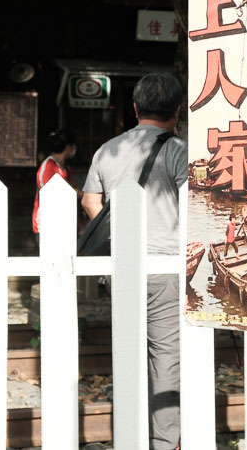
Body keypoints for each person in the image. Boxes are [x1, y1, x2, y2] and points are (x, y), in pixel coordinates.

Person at [81, 72, 187, 450]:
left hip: (122, 270)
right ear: (177, 110)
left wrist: (120, 236)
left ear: (136, 108)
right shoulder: (179, 152)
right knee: (165, 359)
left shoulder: (106, 150)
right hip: (165, 269)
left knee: (127, 352)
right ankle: (163, 442)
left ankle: (129, 436)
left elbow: (91, 200)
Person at [32, 128, 77, 236]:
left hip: (63, 222)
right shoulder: (49, 166)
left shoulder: (67, 169)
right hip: (47, 223)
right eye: (73, 145)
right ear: (68, 147)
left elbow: (75, 189)